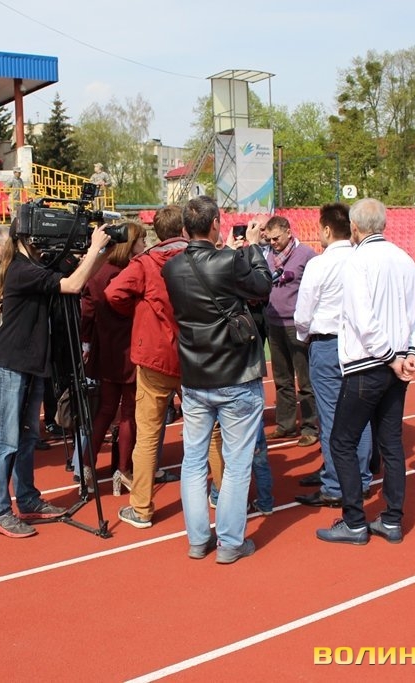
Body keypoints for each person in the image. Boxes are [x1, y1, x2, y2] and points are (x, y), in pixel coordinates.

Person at [0, 215, 111, 538]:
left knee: (27, 438)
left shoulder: (34, 266)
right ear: (28, 237)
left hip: (30, 364)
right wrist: (94, 248)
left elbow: (78, 276)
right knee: (6, 441)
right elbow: (73, 285)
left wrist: (105, 250)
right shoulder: (21, 269)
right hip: (12, 364)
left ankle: (27, 499)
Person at [162, 195, 272, 563]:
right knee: (236, 462)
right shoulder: (229, 260)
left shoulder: (171, 268)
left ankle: (198, 539)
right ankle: (229, 543)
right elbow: (262, 286)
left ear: (184, 229)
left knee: (193, 460)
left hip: (195, 376)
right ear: (215, 225)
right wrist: (252, 247)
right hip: (236, 375)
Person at [316, 198, 415, 546]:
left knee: (342, 441)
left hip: (368, 365)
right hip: (395, 366)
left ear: (354, 227)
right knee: (390, 443)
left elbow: (363, 320)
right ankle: (392, 519)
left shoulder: (357, 262)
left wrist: (390, 356)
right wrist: (410, 352)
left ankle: (354, 521)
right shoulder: (405, 259)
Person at [105, 206, 188, 529]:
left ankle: (141, 507)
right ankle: (221, 493)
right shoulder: (197, 256)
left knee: (149, 434)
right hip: (193, 355)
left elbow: (114, 293)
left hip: (155, 355)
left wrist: (138, 310)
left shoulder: (146, 263)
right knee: (209, 429)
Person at [293, 203, 374, 508]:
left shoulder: (320, 263)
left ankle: (335, 484)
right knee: (359, 416)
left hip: (328, 344)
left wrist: (304, 336)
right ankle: (360, 480)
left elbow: (303, 312)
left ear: (327, 230)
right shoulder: (363, 259)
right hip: (360, 345)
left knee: (330, 417)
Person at [81, 220, 146, 495]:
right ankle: (122, 470)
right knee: (129, 414)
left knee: (105, 411)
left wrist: (87, 341)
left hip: (106, 348)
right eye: (141, 240)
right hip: (129, 349)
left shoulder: (97, 272)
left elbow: (86, 311)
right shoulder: (132, 272)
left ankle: (87, 467)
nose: (144, 245)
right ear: (130, 244)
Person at [263, 215, 319, 446]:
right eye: (269, 239)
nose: (273, 242)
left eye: (276, 238)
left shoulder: (306, 255)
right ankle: (285, 425)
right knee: (282, 379)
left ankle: (310, 427)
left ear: (288, 231)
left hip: (297, 326)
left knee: (305, 380)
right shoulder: (267, 254)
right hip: (274, 323)